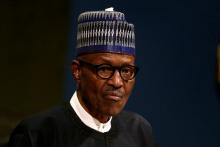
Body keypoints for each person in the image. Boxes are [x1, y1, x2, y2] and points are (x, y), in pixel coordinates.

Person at [8, 8, 154, 147]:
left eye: (126, 70)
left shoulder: (138, 131)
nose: (117, 82)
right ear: (77, 71)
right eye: (104, 69)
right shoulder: (39, 133)